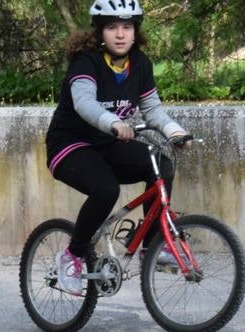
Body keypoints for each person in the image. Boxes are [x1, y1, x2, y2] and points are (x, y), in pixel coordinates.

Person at [45, 0, 188, 296]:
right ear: (100, 32)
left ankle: (152, 246)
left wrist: (175, 132)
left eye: (127, 26)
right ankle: (71, 256)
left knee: (161, 164)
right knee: (106, 189)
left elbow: (153, 110)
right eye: (112, 27)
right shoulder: (86, 62)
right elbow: (84, 103)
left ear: (136, 31)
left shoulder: (141, 64)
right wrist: (112, 122)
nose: (120, 34)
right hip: (70, 144)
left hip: (107, 143)